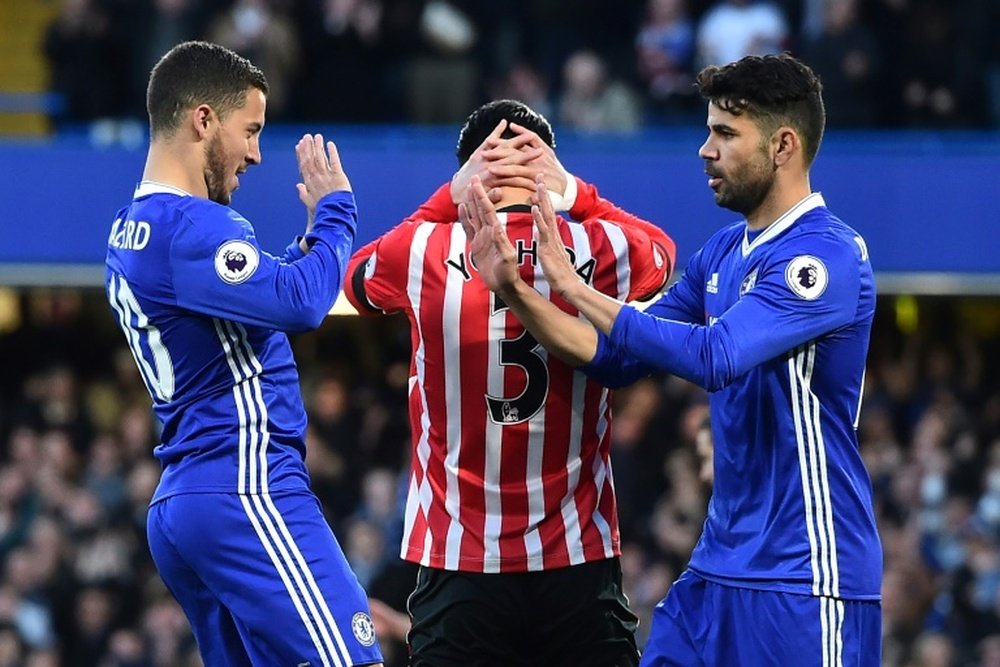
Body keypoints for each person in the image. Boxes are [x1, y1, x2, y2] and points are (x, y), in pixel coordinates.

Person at [462, 54, 882, 666]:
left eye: (725, 134)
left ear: (784, 145)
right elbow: (615, 356)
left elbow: (716, 356)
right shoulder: (721, 253)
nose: (704, 150)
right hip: (719, 565)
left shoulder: (826, 258)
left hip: (805, 572)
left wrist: (577, 288)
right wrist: (516, 292)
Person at [342, 99, 677, 666]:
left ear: (472, 171)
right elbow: (663, 255)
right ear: (545, 166)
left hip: (459, 561)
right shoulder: (597, 250)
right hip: (576, 557)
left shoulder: (425, 249)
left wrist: (448, 199)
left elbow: (356, 281)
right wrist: (575, 193)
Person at [103, 41, 383, 667]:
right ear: (203, 120)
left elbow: (257, 295)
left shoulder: (129, 230)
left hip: (185, 499)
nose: (256, 153)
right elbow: (302, 304)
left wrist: (307, 238)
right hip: (245, 487)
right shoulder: (193, 227)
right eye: (250, 130)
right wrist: (336, 213)